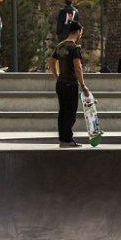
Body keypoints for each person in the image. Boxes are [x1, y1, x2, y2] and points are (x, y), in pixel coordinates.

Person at [49, 19, 90, 147]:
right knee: (70, 113)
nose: (81, 35)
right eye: (81, 32)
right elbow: (78, 68)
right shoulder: (74, 48)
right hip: (70, 84)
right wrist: (83, 85)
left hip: (60, 83)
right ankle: (67, 140)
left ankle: (63, 139)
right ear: (78, 31)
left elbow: (50, 62)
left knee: (62, 112)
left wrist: (57, 76)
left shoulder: (60, 45)